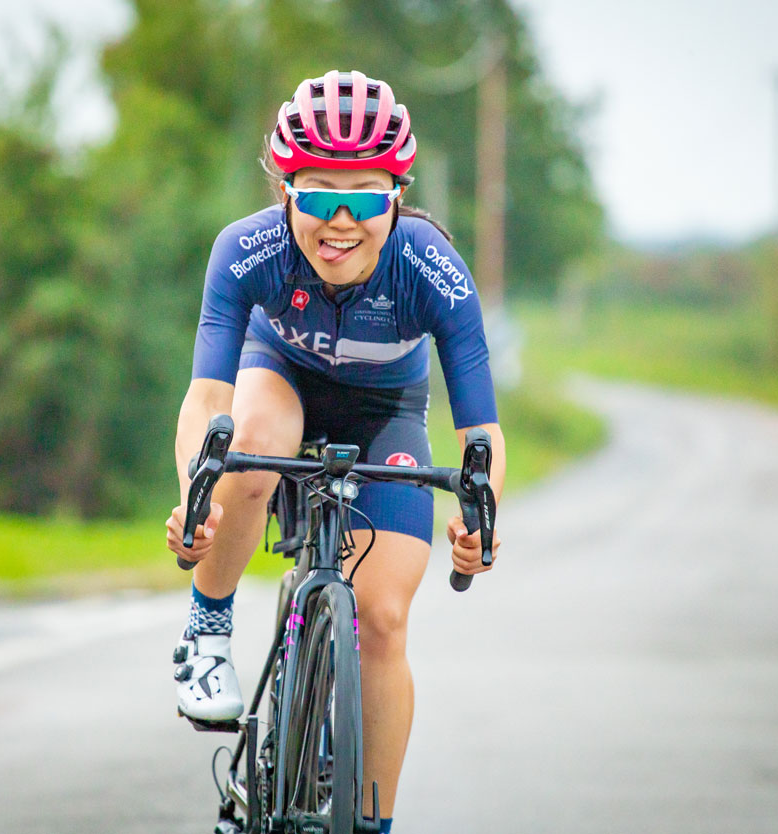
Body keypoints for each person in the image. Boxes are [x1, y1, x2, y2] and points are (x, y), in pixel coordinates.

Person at [163, 70, 506, 831]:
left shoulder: (430, 267)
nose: (340, 221)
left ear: (398, 197)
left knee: (382, 619)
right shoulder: (246, 250)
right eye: (318, 197)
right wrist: (197, 495)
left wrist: (481, 520)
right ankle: (208, 632)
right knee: (252, 446)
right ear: (286, 193)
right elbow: (207, 401)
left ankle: (371, 823)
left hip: (386, 413)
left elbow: (479, 435)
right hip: (278, 380)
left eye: (366, 199)